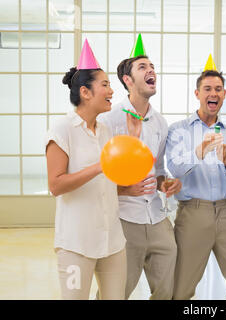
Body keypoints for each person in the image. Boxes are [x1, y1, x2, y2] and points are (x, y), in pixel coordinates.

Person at [46, 59, 141, 299]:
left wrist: (133, 139)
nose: (111, 91)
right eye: (105, 85)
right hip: (77, 244)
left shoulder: (105, 131)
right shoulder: (62, 128)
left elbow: (106, 181)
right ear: (85, 92)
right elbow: (56, 185)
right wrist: (99, 167)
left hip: (112, 241)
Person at [166, 70, 226, 300]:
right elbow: (175, 168)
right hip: (193, 214)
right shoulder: (178, 130)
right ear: (197, 93)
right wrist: (199, 151)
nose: (213, 93)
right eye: (207, 89)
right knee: (180, 291)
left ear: (224, 94)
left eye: (218, 89)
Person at [99, 54, 181, 300]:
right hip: (124, 218)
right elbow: (97, 177)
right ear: (128, 79)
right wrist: (125, 190)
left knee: (167, 291)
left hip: (157, 217)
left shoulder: (160, 122)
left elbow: (157, 171)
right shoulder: (107, 121)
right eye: (142, 67)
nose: (151, 70)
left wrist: (165, 184)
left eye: (152, 66)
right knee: (115, 292)